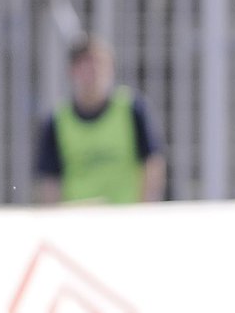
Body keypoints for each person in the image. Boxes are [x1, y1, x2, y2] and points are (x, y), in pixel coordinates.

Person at [35, 35, 166, 205]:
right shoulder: (58, 120)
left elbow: (153, 163)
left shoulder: (131, 109)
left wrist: (144, 210)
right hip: (77, 221)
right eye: (86, 65)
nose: (94, 72)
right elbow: (50, 181)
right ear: (72, 70)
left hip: (125, 219)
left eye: (99, 64)